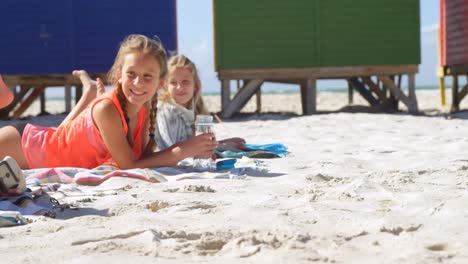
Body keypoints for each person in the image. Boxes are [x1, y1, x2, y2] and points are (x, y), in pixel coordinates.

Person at [0, 34, 218, 170]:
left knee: (61, 135)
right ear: (119, 75)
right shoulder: (107, 109)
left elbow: (144, 157)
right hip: (19, 147)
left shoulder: (144, 106)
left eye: (147, 76)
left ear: (159, 84)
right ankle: (89, 95)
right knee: (59, 137)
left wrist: (192, 148)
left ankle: (88, 94)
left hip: (43, 144)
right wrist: (183, 149)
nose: (138, 82)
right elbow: (129, 165)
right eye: (131, 73)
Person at [155, 54, 245, 151]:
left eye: (185, 81)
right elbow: (175, 151)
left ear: (195, 85)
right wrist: (221, 145)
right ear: (165, 86)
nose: (179, 87)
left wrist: (224, 143)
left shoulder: (196, 109)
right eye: (173, 82)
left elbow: (198, 146)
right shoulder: (167, 111)